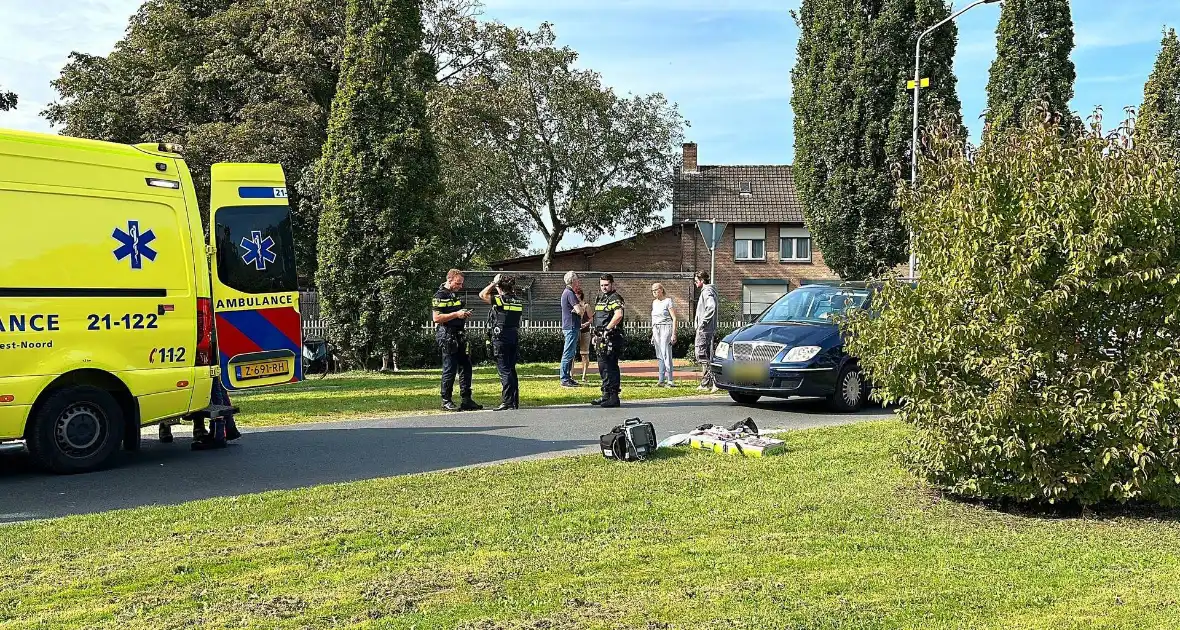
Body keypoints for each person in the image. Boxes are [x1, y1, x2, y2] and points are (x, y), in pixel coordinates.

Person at [432, 269, 484, 412]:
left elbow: (454, 314)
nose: (460, 286)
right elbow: (436, 318)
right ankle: (446, 400)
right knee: (450, 368)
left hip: (459, 334)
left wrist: (463, 314)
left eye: (461, 284)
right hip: (447, 335)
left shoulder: (452, 294)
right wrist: (456, 314)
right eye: (457, 283)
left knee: (466, 367)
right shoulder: (440, 295)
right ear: (449, 280)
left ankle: (466, 399)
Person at [479, 274, 524, 410]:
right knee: (511, 369)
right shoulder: (517, 301)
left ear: (499, 287)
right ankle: (514, 400)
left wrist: (493, 283)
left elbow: (482, 295)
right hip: (513, 336)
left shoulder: (500, 300)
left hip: (501, 337)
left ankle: (507, 401)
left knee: (504, 370)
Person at [590, 273, 625, 408]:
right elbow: (598, 317)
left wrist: (607, 330)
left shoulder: (615, 298)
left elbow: (618, 315)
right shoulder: (601, 297)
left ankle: (613, 396)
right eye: (602, 285)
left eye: (606, 285)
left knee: (610, 366)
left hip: (612, 337)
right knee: (602, 366)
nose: (604, 287)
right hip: (601, 337)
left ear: (612, 284)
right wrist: (597, 334)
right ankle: (605, 394)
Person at [693, 269, 719, 392]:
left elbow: (711, 306)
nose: (695, 283)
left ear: (702, 280)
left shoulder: (707, 291)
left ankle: (714, 381)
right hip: (707, 329)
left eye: (696, 281)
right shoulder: (707, 291)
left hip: (705, 330)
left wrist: (702, 323)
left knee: (702, 354)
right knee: (706, 355)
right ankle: (706, 383)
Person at [650, 282, 678, 387]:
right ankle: (661, 379)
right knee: (660, 355)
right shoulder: (654, 303)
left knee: (666, 353)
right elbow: (654, 319)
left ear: (661, 289)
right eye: (652, 290)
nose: (654, 292)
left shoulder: (668, 301)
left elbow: (674, 318)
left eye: (656, 289)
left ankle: (670, 379)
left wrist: (674, 334)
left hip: (666, 327)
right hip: (656, 329)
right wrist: (653, 334)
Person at [559, 271, 582, 388]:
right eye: (577, 280)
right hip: (571, 326)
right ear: (573, 281)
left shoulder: (566, 292)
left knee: (570, 353)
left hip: (570, 326)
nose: (578, 282)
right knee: (568, 353)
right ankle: (564, 378)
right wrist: (581, 308)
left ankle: (567, 377)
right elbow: (579, 310)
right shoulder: (570, 293)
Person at [574, 286, 592, 383]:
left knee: (584, 354)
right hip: (575, 331)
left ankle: (584, 376)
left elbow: (591, 318)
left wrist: (586, 324)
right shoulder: (572, 305)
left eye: (576, 294)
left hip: (585, 331)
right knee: (571, 354)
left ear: (580, 294)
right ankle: (570, 375)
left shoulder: (586, 306)